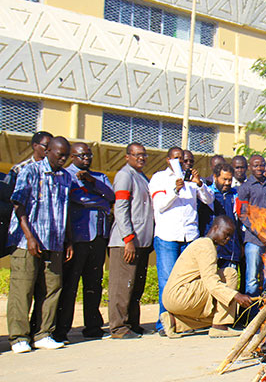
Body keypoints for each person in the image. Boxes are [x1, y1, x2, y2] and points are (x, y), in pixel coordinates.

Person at [6, 137, 88, 353]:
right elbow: (19, 206)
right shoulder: (30, 171)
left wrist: (68, 240)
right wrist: (29, 237)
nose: (62, 159)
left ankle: (43, 333)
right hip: (28, 242)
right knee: (22, 290)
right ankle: (19, 338)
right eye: (59, 154)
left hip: (55, 242)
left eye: (65, 155)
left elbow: (66, 210)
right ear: (48, 151)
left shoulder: (65, 178)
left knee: (51, 288)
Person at [54, 143, 115, 343]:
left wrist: (92, 184)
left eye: (89, 155)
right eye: (82, 156)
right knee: (70, 285)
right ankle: (61, 330)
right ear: (72, 157)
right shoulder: (66, 175)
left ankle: (93, 327)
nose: (86, 159)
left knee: (93, 284)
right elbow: (76, 199)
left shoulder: (99, 177)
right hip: (77, 238)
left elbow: (111, 197)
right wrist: (98, 199)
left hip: (98, 237)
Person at [149, 147, 214, 334]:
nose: (186, 164)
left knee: (189, 282)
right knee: (168, 281)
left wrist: (200, 184)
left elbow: (209, 200)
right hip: (168, 236)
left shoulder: (193, 181)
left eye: (189, 161)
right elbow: (159, 206)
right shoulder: (160, 178)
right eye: (180, 160)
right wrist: (175, 190)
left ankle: (183, 322)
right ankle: (164, 323)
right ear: (169, 160)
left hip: (190, 236)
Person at [160, 216, 253, 338]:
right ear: (215, 228)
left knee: (217, 312)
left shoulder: (201, 243)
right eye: (226, 234)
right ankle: (221, 326)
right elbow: (211, 282)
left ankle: (175, 322)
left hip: (173, 297)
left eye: (230, 236)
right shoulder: (206, 246)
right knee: (230, 274)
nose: (228, 239)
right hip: (180, 295)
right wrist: (235, 295)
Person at [108, 142, 154, 339]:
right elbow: (120, 208)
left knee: (135, 286)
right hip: (126, 242)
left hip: (142, 242)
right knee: (122, 286)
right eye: (136, 155)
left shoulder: (142, 177)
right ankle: (118, 327)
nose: (141, 158)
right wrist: (128, 239)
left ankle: (132, 323)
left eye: (143, 155)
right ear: (127, 157)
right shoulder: (125, 175)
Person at [238, 155, 266, 299]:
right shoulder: (245, 187)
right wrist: (260, 234)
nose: (259, 168)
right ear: (250, 167)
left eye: (261, 165)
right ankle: (251, 315)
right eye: (256, 166)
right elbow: (243, 215)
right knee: (252, 278)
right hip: (253, 239)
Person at [197, 163, 243, 296]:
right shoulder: (207, 193)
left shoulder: (235, 195)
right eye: (224, 179)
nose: (228, 183)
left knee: (229, 286)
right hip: (212, 248)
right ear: (215, 177)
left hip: (230, 249)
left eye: (230, 179)